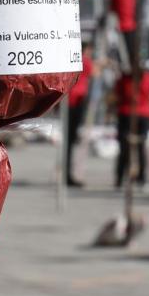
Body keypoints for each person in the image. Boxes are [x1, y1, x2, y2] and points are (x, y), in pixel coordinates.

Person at [114, 62, 149, 188]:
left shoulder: (133, 78)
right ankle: (129, 177)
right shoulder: (131, 78)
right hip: (132, 113)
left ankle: (130, 177)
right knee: (130, 147)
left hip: (135, 113)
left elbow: (119, 93)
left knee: (133, 147)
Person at [65, 42, 95, 188]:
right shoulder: (85, 61)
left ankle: (67, 172)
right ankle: (68, 174)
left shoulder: (72, 59)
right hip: (77, 101)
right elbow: (95, 72)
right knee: (71, 139)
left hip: (69, 100)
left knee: (69, 140)